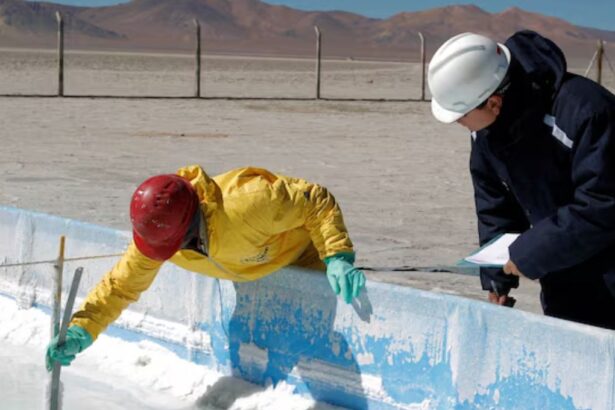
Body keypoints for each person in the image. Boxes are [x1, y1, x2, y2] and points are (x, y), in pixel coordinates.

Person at [46, 165, 366, 368]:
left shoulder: (248, 203)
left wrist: (337, 256)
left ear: (187, 228)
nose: (166, 254)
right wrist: (81, 330)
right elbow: (120, 287)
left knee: (310, 352)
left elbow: (316, 202)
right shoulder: (159, 236)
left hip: (300, 256)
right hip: (248, 265)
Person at [427, 30, 615, 329]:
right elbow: (494, 205)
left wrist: (528, 253)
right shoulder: (487, 132)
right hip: (561, 269)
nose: (460, 124)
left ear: (493, 103)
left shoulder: (588, 112)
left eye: (461, 116)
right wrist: (496, 278)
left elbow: (602, 205)